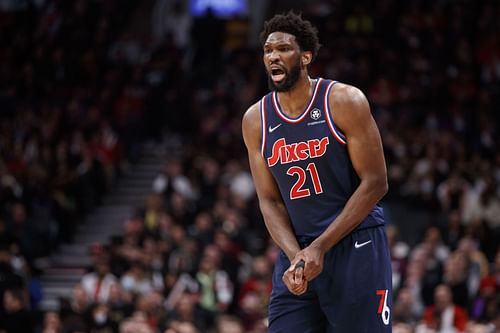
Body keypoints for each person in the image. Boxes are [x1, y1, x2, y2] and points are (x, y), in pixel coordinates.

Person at [242, 12, 392, 332]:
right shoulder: (256, 120)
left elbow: (376, 182)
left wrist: (320, 247)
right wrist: (297, 255)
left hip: (355, 245)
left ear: (305, 56)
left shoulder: (343, 100)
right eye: (268, 51)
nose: (273, 57)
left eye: (283, 49)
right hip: (298, 252)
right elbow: (269, 201)